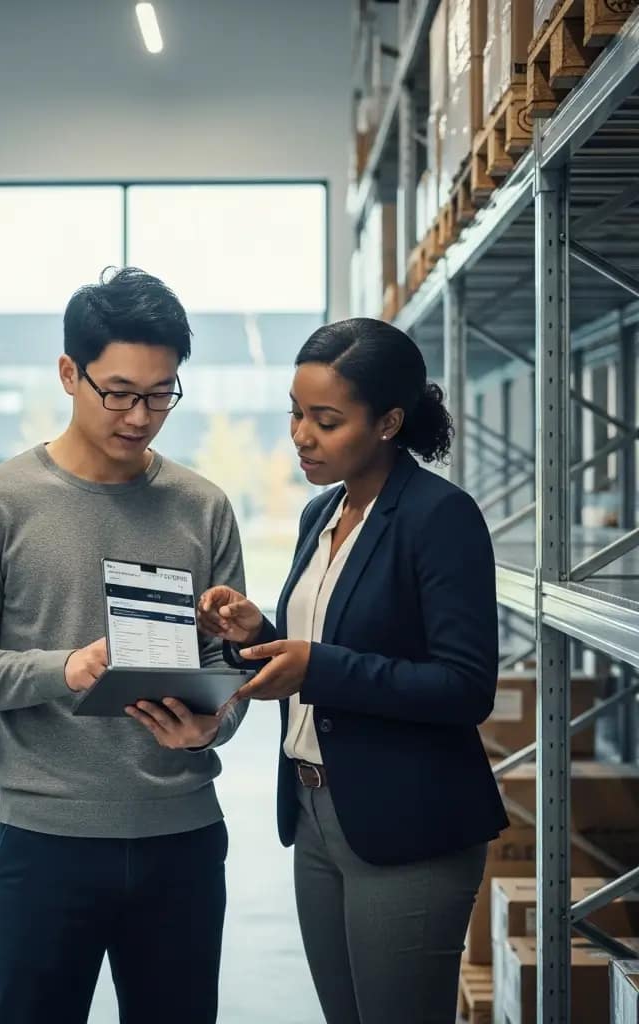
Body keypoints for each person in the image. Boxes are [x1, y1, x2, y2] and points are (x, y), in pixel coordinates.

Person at [0, 266, 247, 1024]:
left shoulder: (203, 506)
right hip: (47, 846)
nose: (140, 415)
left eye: (161, 393)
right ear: (69, 373)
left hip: (185, 840)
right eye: (120, 391)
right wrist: (63, 668)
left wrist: (218, 718)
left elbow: (230, 665)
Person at [198, 317, 508, 1024]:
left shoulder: (440, 516)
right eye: (296, 414)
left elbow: (465, 687)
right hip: (315, 812)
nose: (301, 435)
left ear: (389, 422)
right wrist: (263, 635)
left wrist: (315, 666)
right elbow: (333, 648)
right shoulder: (322, 513)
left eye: (326, 420)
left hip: (408, 827)